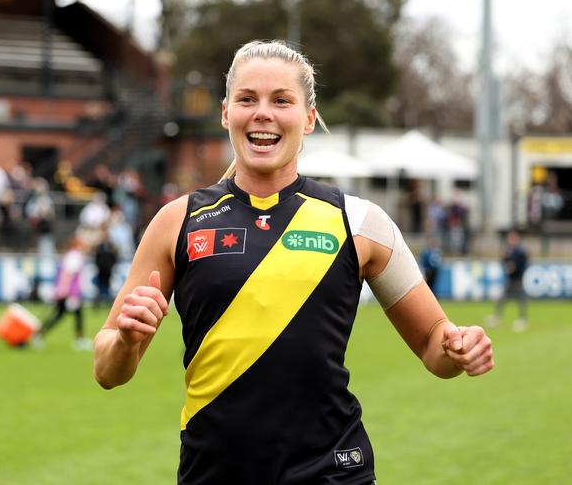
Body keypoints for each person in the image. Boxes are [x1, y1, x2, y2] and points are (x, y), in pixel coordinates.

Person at [93, 40, 494, 485]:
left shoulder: (360, 222)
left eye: (281, 100)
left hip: (333, 473)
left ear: (308, 117)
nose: (262, 113)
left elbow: (433, 344)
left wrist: (458, 348)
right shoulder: (177, 221)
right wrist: (126, 341)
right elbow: (107, 371)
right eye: (248, 99)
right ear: (226, 113)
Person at [32, 236, 91, 351]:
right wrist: (65, 292)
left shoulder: (70, 255)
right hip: (69, 294)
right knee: (66, 316)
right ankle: (79, 340)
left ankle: (38, 335)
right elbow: (68, 275)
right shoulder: (75, 257)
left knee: (62, 316)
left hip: (66, 292)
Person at [486, 230, 529, 332]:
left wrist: (515, 268)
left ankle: (522, 319)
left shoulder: (520, 251)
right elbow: (504, 261)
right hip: (511, 279)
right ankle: (497, 317)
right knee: (504, 298)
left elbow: (523, 264)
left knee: (520, 298)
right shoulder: (509, 250)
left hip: (517, 278)